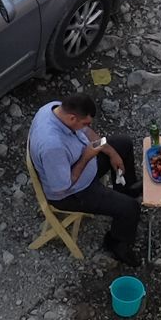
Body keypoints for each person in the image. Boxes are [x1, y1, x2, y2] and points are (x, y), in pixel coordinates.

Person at [29, 88, 139, 264]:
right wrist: (86, 157)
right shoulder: (52, 146)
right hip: (72, 192)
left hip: (84, 162)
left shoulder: (55, 108)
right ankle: (116, 243)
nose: (87, 127)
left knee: (123, 144)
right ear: (72, 118)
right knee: (130, 208)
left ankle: (126, 189)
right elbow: (64, 186)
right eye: (85, 123)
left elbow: (88, 134)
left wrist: (111, 153)